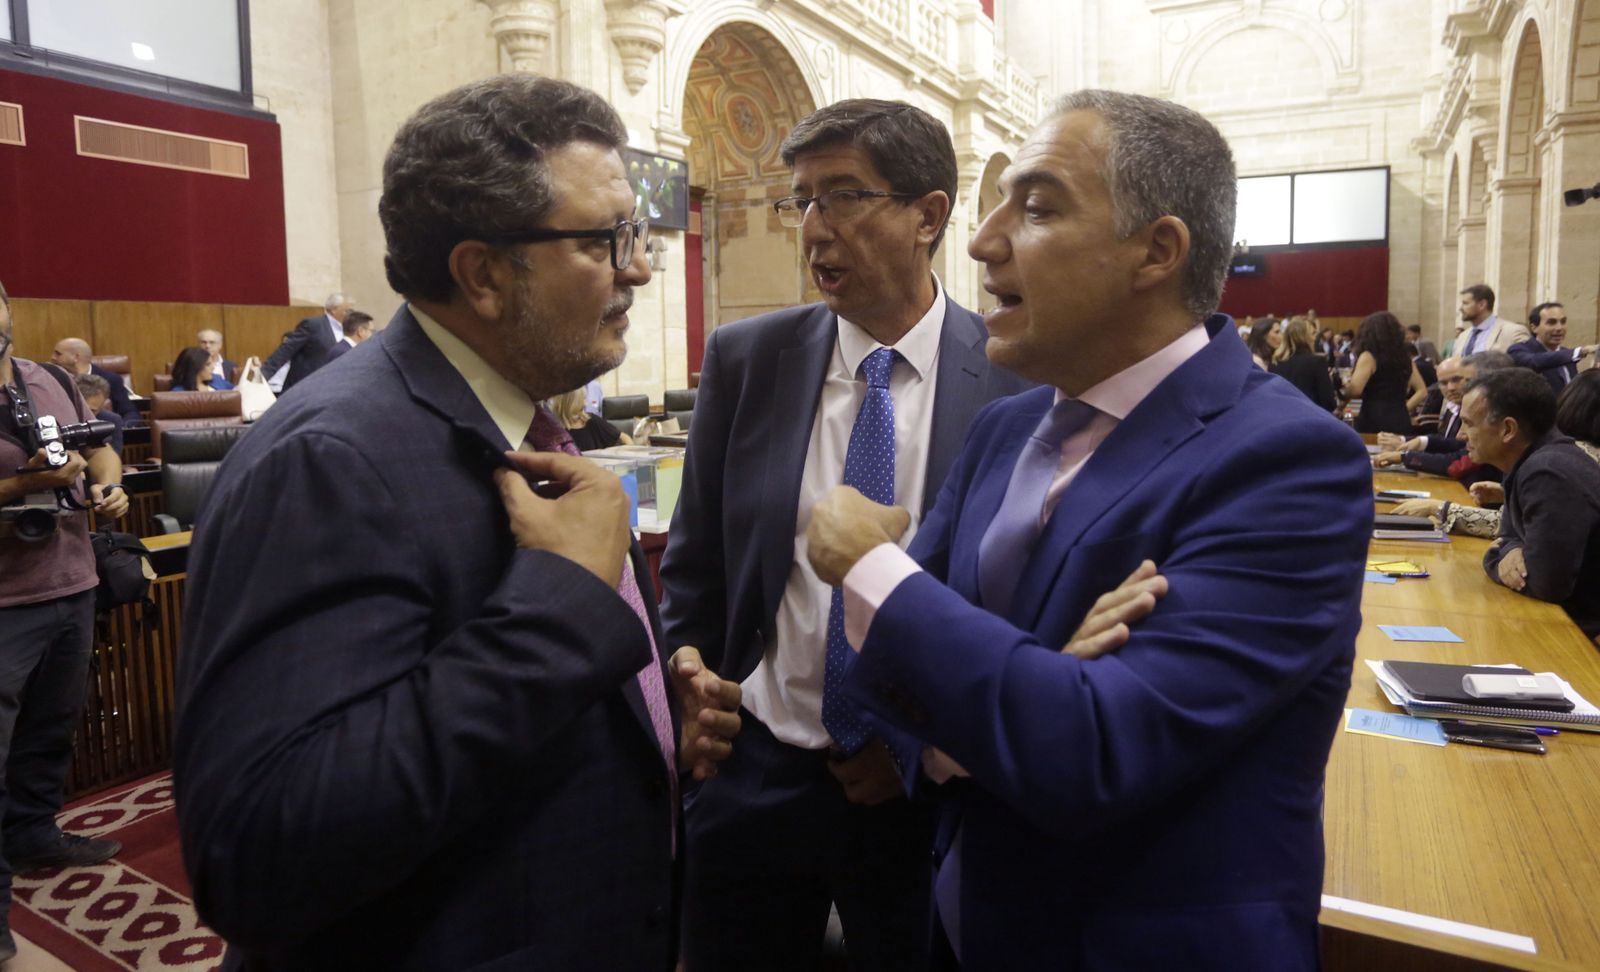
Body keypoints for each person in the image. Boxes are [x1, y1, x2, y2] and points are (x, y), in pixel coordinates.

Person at [173, 75, 742, 970]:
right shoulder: (328, 460)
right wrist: (558, 609)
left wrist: (637, 705)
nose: (638, 266)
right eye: (605, 240)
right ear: (481, 272)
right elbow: (257, 853)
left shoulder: (531, 424)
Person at [804, 89, 1372, 968]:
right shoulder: (1004, 427)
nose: (983, 240)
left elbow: (1097, 749)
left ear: (1157, 250)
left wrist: (872, 565)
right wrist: (1030, 695)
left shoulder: (1291, 462)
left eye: (1035, 208)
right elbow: (914, 686)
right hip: (967, 918)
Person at [658, 98, 1033, 971]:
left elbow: (1017, 610)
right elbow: (697, 564)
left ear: (928, 216)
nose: (814, 231)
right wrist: (691, 674)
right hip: (752, 779)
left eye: (843, 197)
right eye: (802, 201)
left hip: (917, 796)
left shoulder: (1017, 387)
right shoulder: (747, 360)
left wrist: (917, 743)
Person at [0, 282, 128, 963]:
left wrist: (109, 485)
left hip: (72, 582)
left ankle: (32, 833)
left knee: (53, 726)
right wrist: (23, 489)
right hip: (3, 604)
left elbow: (102, 447)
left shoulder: (47, 377)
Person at [1469, 369, 1600, 639]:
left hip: (1582, 638)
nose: (1461, 434)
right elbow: (1508, 535)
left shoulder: (1548, 471)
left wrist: (1494, 558)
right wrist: (1513, 547)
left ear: (1507, 429)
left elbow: (1545, 584)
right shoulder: (1527, 460)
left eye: (1469, 423)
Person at [1392, 369, 1600, 538]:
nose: (1462, 434)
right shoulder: (1560, 454)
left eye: (1461, 380)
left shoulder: (1549, 464)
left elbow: (1539, 562)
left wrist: (1441, 508)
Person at [1372, 351, 1511, 486]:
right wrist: (1420, 442)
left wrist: (1404, 456)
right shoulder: (1457, 406)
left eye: (1461, 380)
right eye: (1443, 383)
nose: (1451, 387)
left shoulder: (1494, 418)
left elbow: (1458, 463)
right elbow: (1457, 445)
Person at [1342, 311, 1426, 435]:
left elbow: (1356, 391)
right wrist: (1404, 408)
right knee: (1396, 453)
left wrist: (1345, 384)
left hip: (1371, 417)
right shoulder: (1405, 359)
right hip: (1399, 417)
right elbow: (1422, 391)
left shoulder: (1368, 357)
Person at [261, 292, 356, 393]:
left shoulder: (349, 330)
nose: (352, 315)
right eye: (348, 311)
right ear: (334, 309)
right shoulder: (313, 325)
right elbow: (284, 351)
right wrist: (262, 376)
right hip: (306, 388)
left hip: (333, 387)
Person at [1509, 302, 1595, 395]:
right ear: (1534, 327)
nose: (1559, 328)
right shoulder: (1518, 350)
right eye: (1551, 322)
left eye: (1563, 322)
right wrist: (1582, 351)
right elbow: (1535, 361)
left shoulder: (1567, 354)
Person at [49, 337, 139, 422]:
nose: (53, 357)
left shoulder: (110, 379)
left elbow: (130, 413)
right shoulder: (53, 378)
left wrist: (118, 430)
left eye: (58, 354)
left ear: (76, 357)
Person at [1271, 316, 1336, 412]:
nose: (1315, 338)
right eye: (1313, 333)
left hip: (1283, 420)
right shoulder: (1317, 362)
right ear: (1305, 337)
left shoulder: (1275, 362)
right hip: (1312, 421)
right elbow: (1329, 403)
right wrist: (1328, 381)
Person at [1450, 284, 1530, 358]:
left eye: (1465, 303)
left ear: (1482, 305)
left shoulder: (1513, 332)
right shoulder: (1462, 336)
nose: (1460, 308)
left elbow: (1526, 365)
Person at [548, 387, 631, 451]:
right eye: (582, 400)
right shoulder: (553, 430)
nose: (585, 403)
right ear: (570, 404)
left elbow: (624, 438)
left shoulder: (591, 420)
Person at [72, 373, 124, 456]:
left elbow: (113, 458)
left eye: (93, 411)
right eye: (82, 409)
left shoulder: (112, 421)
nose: (87, 415)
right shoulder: (58, 419)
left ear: (103, 404)